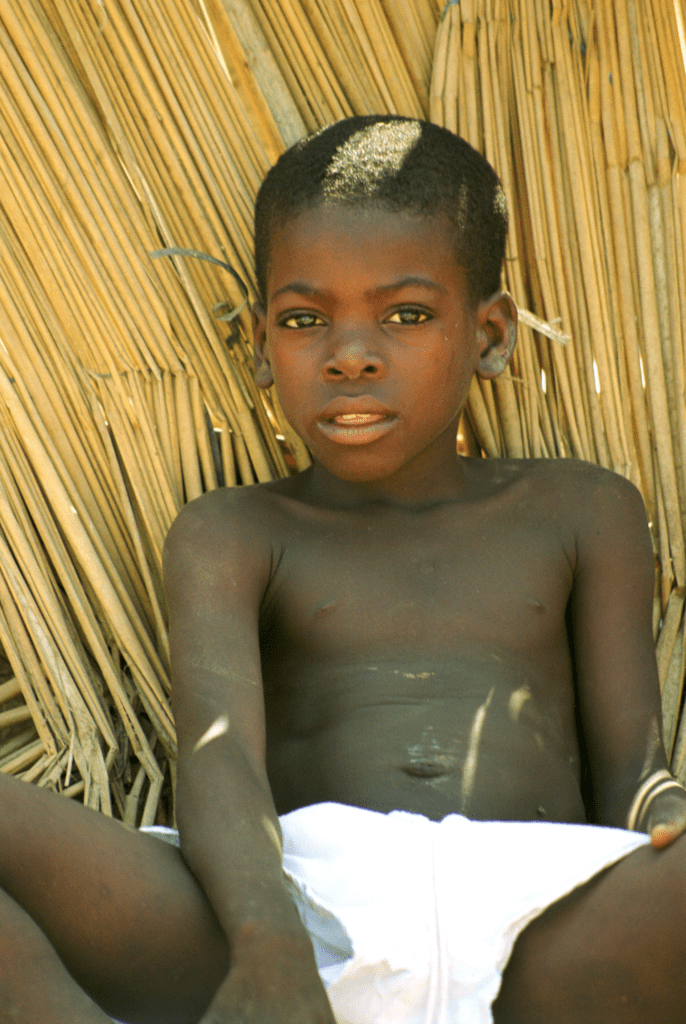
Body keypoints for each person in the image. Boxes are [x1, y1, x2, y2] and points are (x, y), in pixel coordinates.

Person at [0, 115, 685, 1024]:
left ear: (488, 334)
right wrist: (269, 948)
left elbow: (635, 768)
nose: (351, 354)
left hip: (541, 927)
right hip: (292, 921)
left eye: (405, 315)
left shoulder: (582, 509)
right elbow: (223, 766)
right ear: (258, 343)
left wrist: (667, 817)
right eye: (304, 319)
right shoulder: (234, 531)